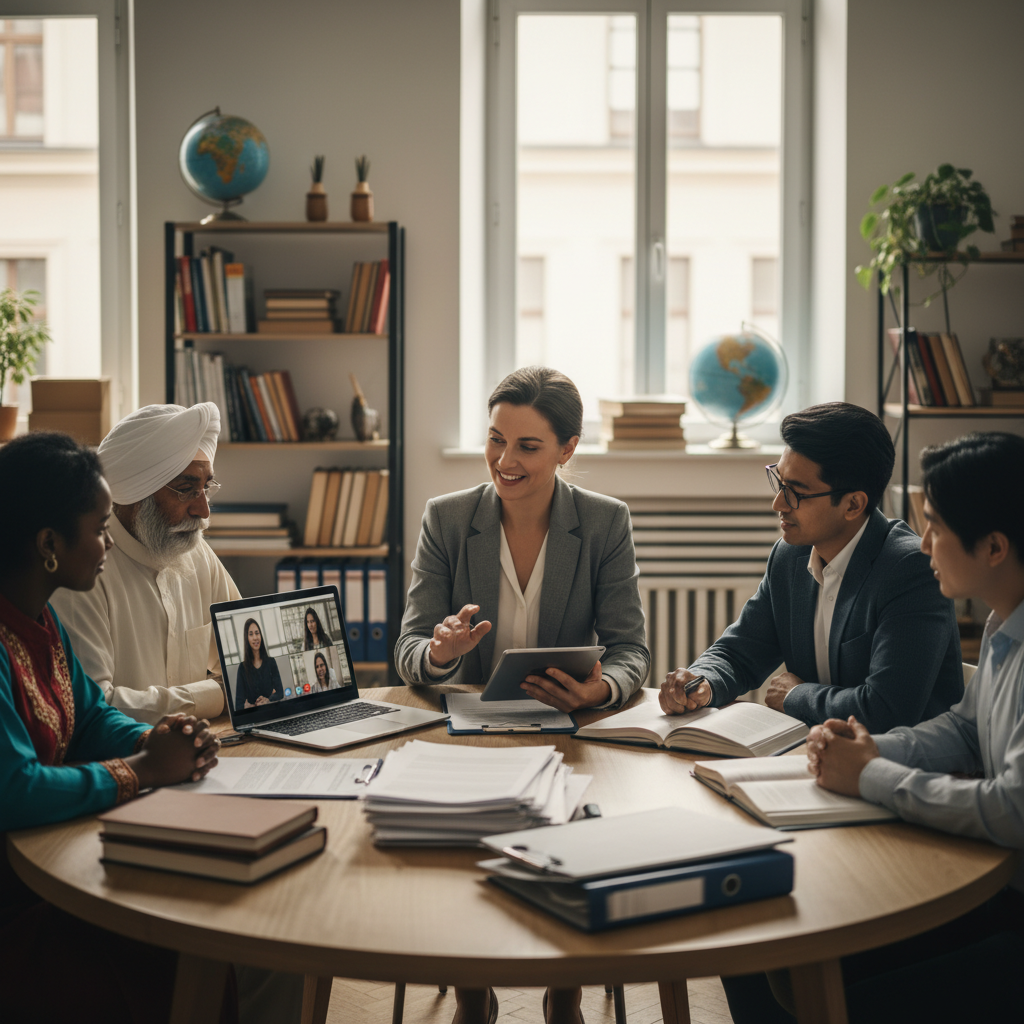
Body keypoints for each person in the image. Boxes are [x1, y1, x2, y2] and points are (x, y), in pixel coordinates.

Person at [395, 366, 649, 1024]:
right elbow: (409, 649)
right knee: (459, 844)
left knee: (576, 837)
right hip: (464, 732)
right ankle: (473, 993)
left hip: (567, 732)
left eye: (527, 446)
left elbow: (631, 650)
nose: (504, 460)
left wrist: (600, 688)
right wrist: (441, 652)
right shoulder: (448, 518)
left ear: (567, 449)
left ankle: (564, 993)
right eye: (495, 439)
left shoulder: (604, 522)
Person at [0, 432, 229, 1024]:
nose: (109, 544)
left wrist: (157, 739)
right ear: (49, 543)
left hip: (43, 855)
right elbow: (14, 788)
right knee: (174, 939)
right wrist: (141, 770)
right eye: (100, 529)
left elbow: (90, 713)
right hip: (16, 891)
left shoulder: (40, 618)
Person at [797, 431, 1024, 1023]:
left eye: (936, 527)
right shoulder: (1004, 623)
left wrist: (871, 777)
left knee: (834, 988)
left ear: (993, 547)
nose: (923, 545)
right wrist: (870, 748)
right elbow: (967, 731)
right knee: (785, 957)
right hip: (995, 885)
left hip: (1012, 913)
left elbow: (1013, 810)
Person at [659, 402, 963, 733]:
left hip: (898, 760)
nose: (778, 503)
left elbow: (886, 710)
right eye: (780, 482)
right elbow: (740, 652)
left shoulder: (911, 570)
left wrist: (795, 695)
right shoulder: (790, 556)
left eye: (796, 493)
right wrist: (701, 681)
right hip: (814, 751)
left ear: (853, 504)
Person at [50, 403, 241, 724]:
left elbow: (247, 656)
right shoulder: (82, 571)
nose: (204, 510)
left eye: (206, 488)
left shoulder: (195, 551)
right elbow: (96, 708)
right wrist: (215, 695)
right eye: (186, 490)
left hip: (202, 744)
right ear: (134, 493)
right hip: (125, 752)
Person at [234, 618, 284, 711]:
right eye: (251, 634)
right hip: (254, 716)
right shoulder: (242, 668)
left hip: (271, 711)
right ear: (247, 638)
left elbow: (280, 692)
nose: (255, 637)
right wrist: (249, 707)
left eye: (257, 633)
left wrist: (268, 700)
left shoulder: (271, 662)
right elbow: (238, 704)